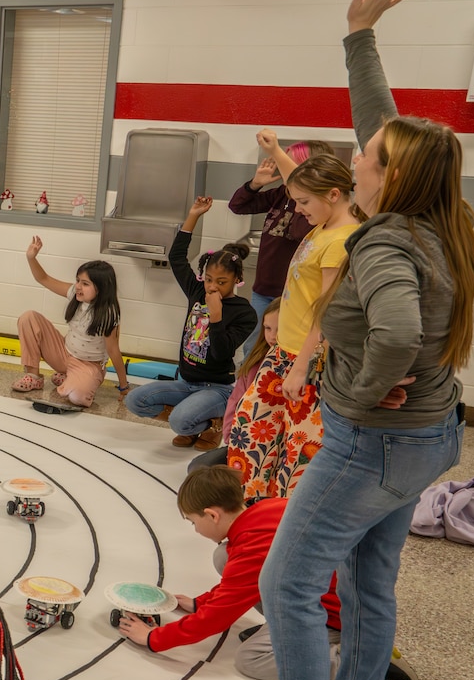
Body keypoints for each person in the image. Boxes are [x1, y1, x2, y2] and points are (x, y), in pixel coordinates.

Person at [222, 0, 474, 680]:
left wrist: (360, 389)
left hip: (371, 440)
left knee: (287, 581)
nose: (357, 151)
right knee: (371, 579)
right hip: (429, 438)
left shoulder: (382, 242)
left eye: (367, 155)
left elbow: (396, 329)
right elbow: (384, 123)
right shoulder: (444, 219)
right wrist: (357, 38)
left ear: (384, 179)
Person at [117, 465, 341, 680]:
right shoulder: (264, 508)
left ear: (212, 515)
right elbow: (241, 581)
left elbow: (215, 619)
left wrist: (151, 638)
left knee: (251, 660)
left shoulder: (253, 546)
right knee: (223, 555)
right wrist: (201, 603)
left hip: (333, 616)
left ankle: (356, 664)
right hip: (319, 593)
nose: (195, 529)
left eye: (194, 522)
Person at [224, 154, 362, 503]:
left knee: (297, 450)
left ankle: (282, 521)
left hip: (307, 360)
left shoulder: (342, 239)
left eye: (303, 202)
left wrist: (301, 366)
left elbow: (325, 310)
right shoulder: (324, 225)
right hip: (283, 352)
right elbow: (302, 182)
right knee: (252, 432)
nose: (298, 209)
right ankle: (254, 510)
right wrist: (275, 149)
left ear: (333, 194)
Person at [123, 198, 257, 449]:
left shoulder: (245, 313)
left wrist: (216, 317)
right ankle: (193, 423)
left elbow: (221, 353)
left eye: (221, 282)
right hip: (186, 381)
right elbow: (176, 257)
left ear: (237, 279)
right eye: (208, 279)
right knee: (135, 401)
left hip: (217, 388)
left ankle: (212, 423)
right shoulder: (197, 292)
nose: (212, 286)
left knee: (179, 420)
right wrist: (193, 215)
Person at [228, 136, 335, 356]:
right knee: (253, 348)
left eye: (291, 164)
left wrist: (300, 197)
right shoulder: (281, 195)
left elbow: (298, 231)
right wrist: (255, 184)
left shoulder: (314, 208)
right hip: (263, 288)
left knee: (282, 350)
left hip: (290, 294)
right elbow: (237, 206)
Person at [14, 238, 128, 407]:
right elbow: (43, 278)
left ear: (101, 288)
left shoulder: (108, 313)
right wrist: (31, 258)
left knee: (78, 398)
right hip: (63, 353)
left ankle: (71, 379)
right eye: (78, 281)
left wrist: (124, 386)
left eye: (85, 283)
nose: (78, 286)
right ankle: (34, 376)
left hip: (88, 365)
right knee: (28, 317)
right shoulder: (75, 294)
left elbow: (114, 351)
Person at [188, 299, 279, 472]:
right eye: (268, 328)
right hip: (245, 441)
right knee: (198, 469)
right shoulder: (254, 362)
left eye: (279, 329)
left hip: (274, 448)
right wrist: (230, 437)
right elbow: (236, 400)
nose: (272, 336)